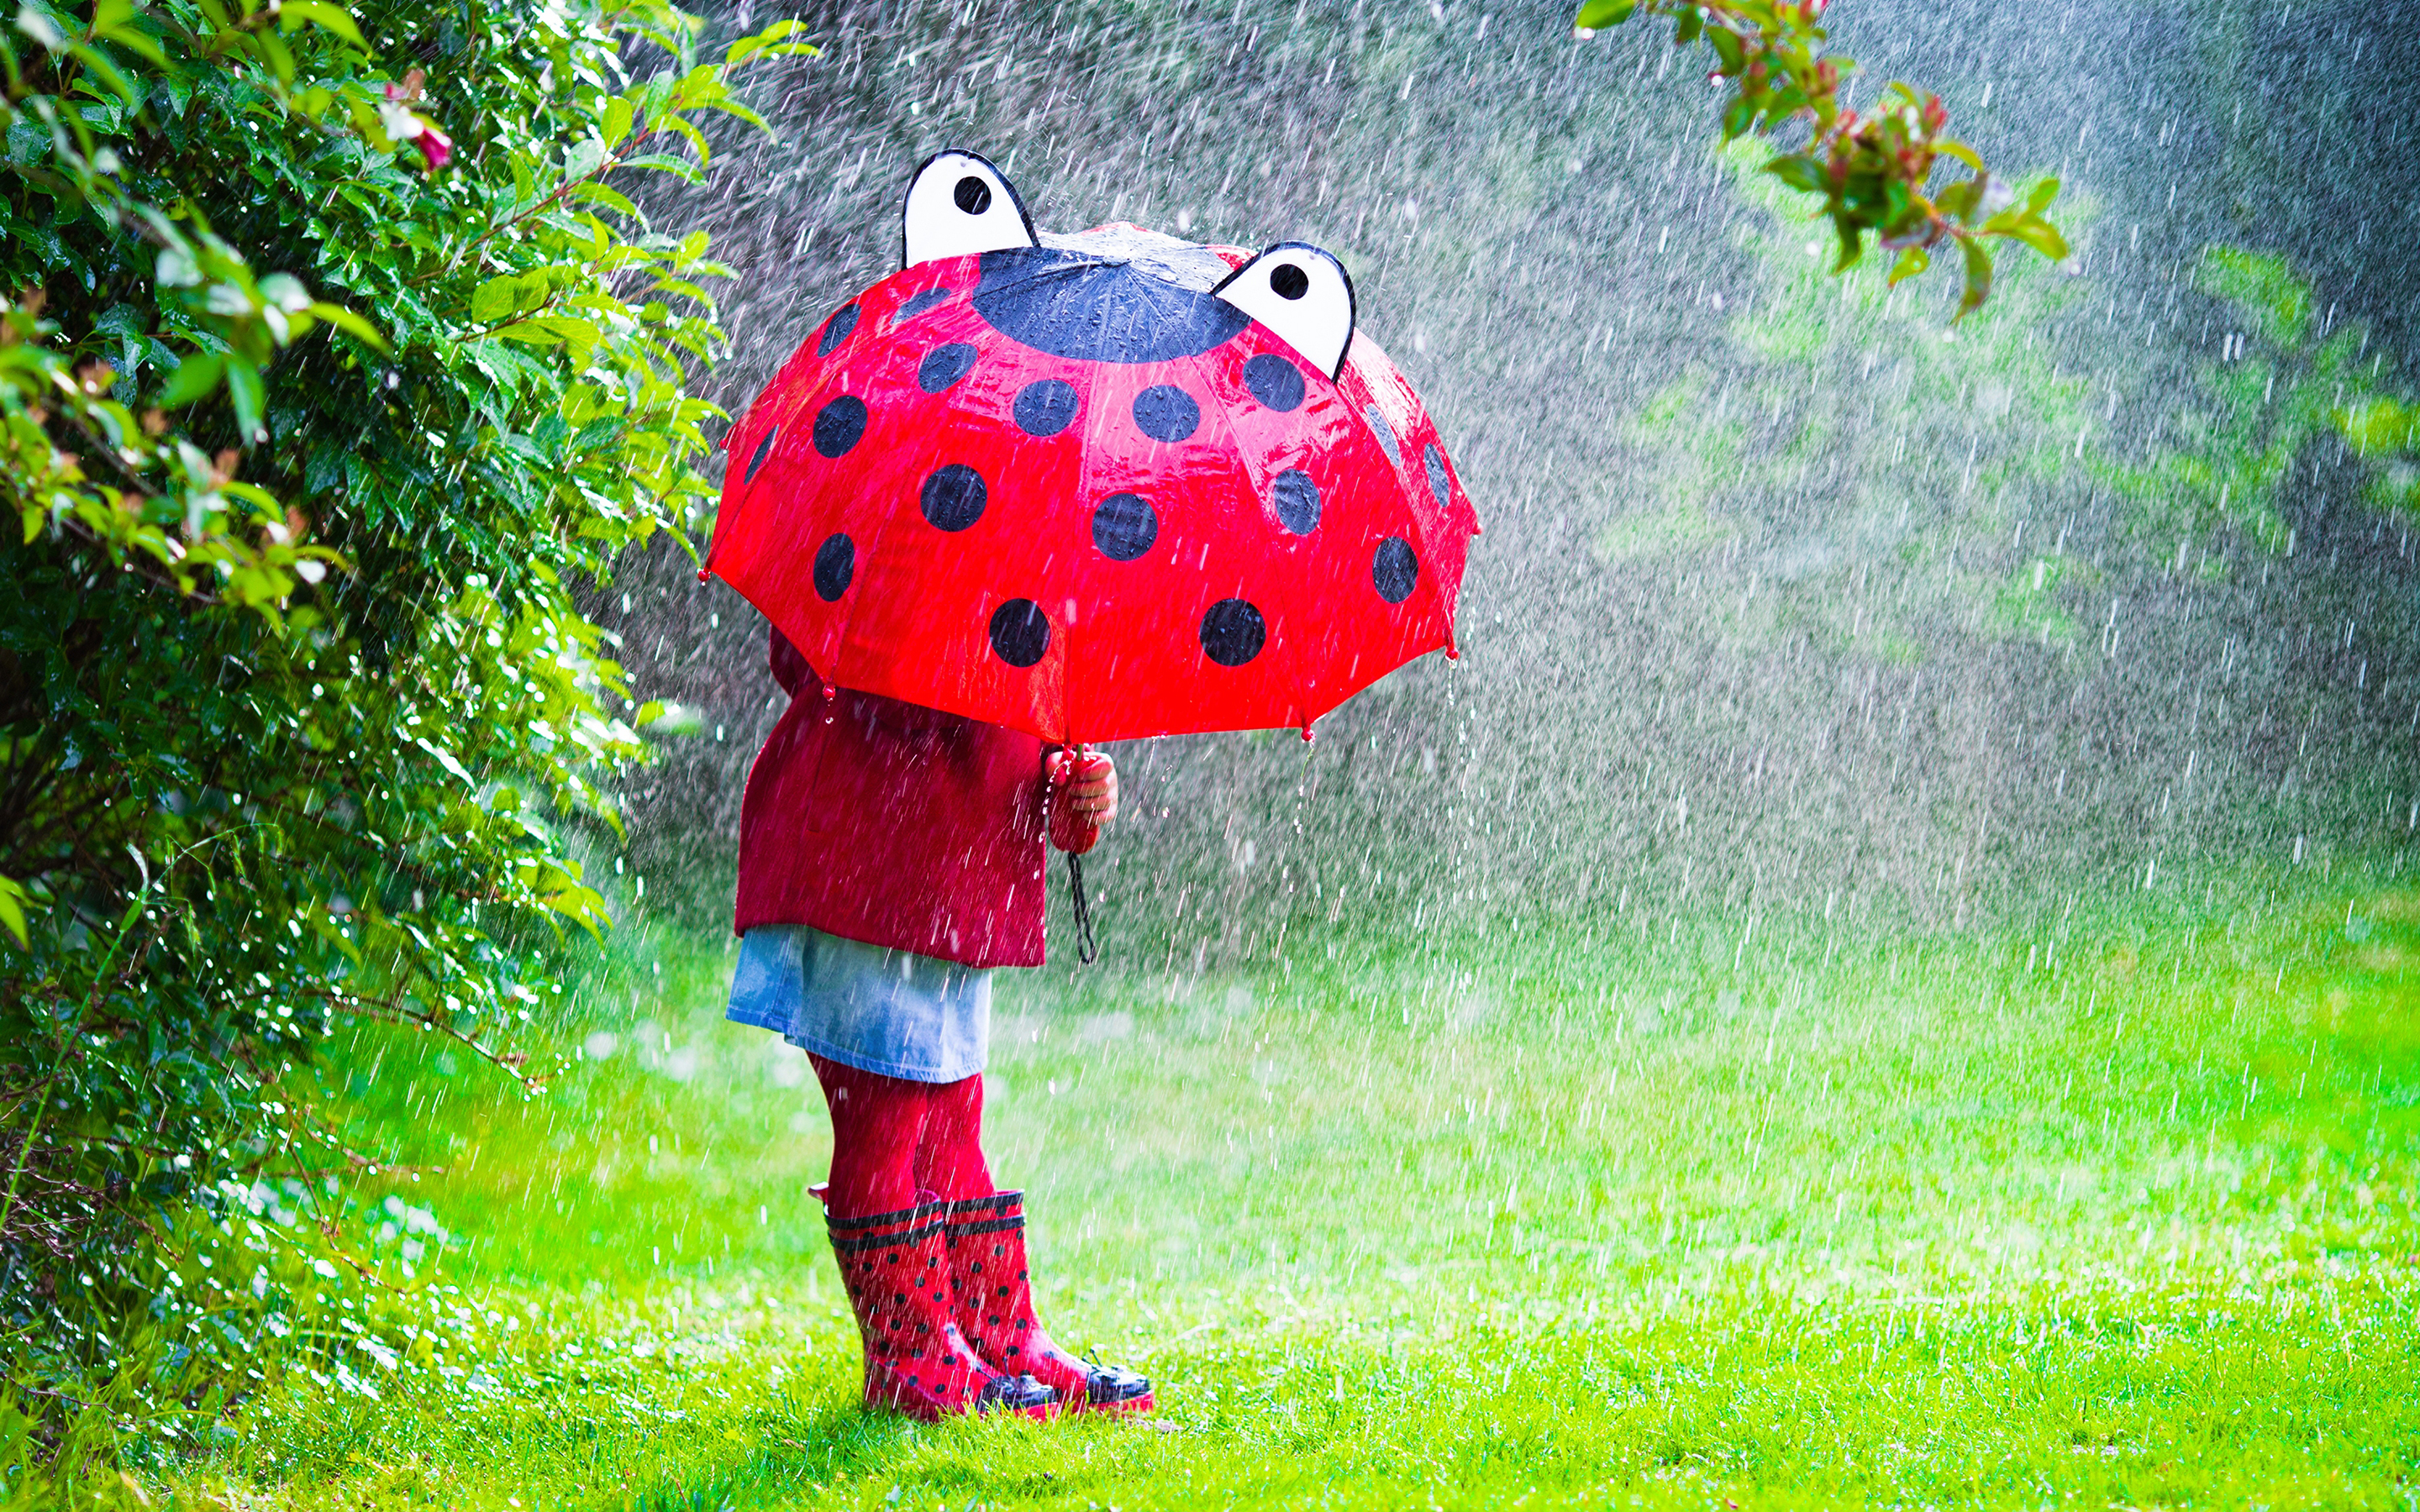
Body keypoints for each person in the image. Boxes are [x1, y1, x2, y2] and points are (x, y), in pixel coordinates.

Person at [723, 627, 1154, 1420]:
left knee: (954, 1122)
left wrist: (1071, 786)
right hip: (865, 865)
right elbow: (808, 661)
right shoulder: (897, 540)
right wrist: (964, 675)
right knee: (884, 1119)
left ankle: (995, 1340)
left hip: (959, 882)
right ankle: (911, 1358)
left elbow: (1024, 754)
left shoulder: (1030, 568)